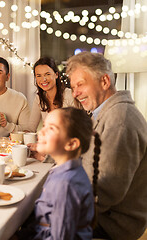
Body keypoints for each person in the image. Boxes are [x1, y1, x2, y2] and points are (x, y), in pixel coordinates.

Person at [67, 52, 147, 240]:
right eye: (72, 87)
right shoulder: (105, 113)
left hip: (110, 225)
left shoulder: (119, 120)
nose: (75, 93)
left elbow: (103, 192)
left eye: (80, 84)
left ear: (104, 81)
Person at [18, 107, 100, 239]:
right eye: (44, 126)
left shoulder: (65, 184)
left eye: (51, 128)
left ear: (71, 144)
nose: (41, 132)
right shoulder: (63, 171)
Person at [29, 57, 76, 132]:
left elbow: (78, 127)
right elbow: (31, 127)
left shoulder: (69, 95)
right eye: (39, 76)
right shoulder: (39, 98)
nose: (43, 79)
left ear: (56, 75)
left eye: (47, 74)